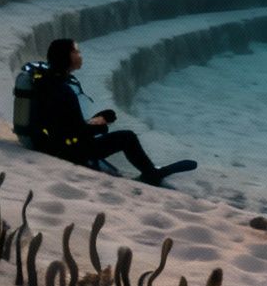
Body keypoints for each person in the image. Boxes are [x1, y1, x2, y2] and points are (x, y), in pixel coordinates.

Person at [29, 38, 177, 184]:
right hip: (67, 151)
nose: (80, 55)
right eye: (76, 52)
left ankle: (150, 172)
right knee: (127, 137)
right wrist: (101, 124)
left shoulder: (47, 81)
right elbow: (75, 132)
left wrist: (96, 120)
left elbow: (64, 124)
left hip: (51, 145)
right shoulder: (62, 90)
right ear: (65, 56)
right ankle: (151, 174)